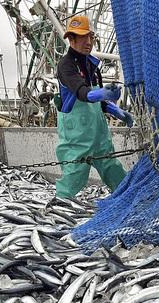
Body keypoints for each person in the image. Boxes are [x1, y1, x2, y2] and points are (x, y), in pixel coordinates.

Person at [54, 15, 134, 200]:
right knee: (76, 173)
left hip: (98, 132)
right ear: (71, 39)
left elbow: (99, 101)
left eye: (90, 37)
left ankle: (126, 197)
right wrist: (104, 93)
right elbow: (82, 92)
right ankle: (59, 205)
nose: (88, 42)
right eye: (83, 37)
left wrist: (117, 111)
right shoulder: (65, 65)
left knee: (111, 166)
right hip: (77, 135)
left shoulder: (92, 64)